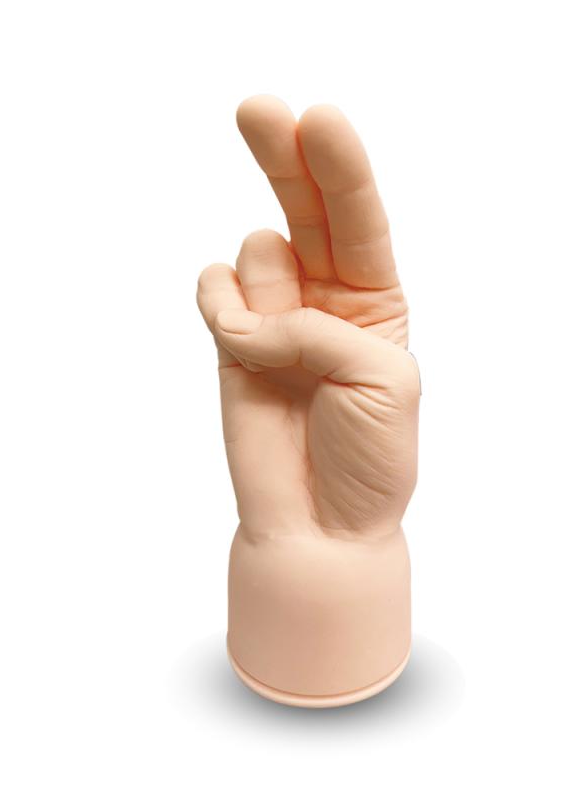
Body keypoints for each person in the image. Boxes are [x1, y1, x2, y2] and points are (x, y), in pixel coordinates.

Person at [196, 96, 420, 707]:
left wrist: (349, 538)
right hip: (310, 601)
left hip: (323, 595)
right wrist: (282, 535)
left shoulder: (364, 397)